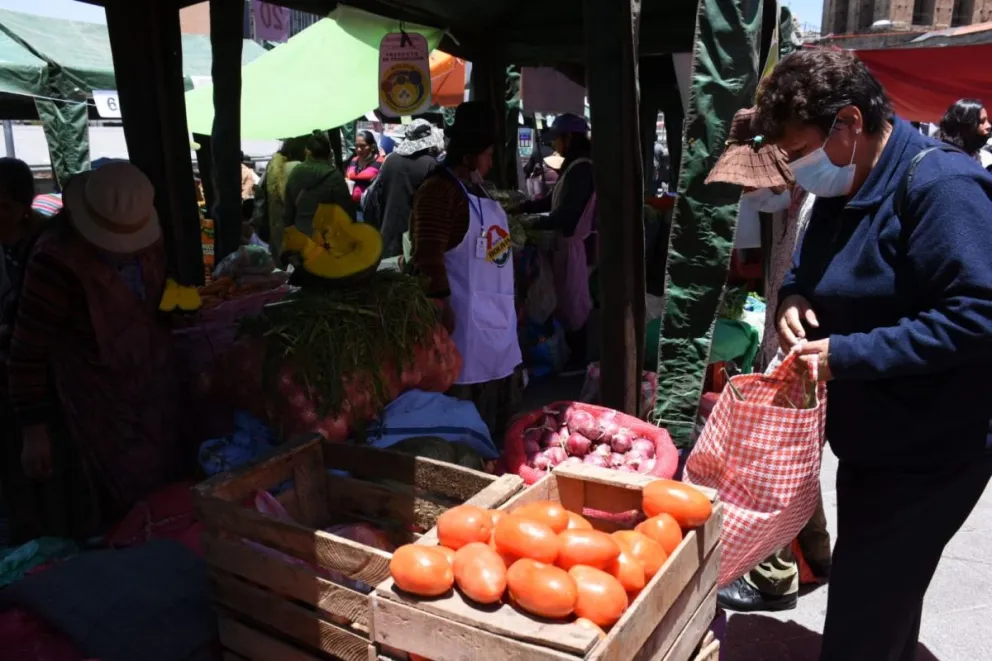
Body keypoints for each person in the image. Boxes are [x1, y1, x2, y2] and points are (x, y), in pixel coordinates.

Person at [754, 49, 992, 661]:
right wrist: (792, 295)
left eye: (800, 149)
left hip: (932, 449)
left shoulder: (943, 186)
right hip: (872, 441)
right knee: (878, 594)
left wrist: (846, 354)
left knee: (864, 608)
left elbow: (977, 314)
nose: (797, 167)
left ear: (850, 123)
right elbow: (811, 265)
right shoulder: (846, 181)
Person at [7, 161, 182, 541]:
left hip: (152, 383)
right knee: (113, 503)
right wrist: (33, 430)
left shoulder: (146, 235)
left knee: (165, 489)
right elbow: (27, 350)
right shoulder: (54, 260)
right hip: (93, 399)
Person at [702, 107, 831, 613]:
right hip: (787, 335)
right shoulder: (794, 195)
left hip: (805, 346)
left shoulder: (816, 196)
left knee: (776, 458)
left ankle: (774, 577)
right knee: (800, 456)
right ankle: (816, 556)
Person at [408, 102, 522, 445]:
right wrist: (440, 304)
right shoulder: (438, 192)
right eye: (487, 155)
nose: (490, 163)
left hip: (495, 318)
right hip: (463, 323)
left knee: (495, 408)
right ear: (470, 156)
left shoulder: (474, 192)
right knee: (465, 410)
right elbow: (427, 254)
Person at [518, 113, 596, 368]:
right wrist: (522, 207)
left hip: (577, 247)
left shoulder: (582, 168)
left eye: (558, 139)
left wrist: (532, 222)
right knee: (566, 301)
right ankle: (570, 354)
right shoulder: (573, 166)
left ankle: (578, 361)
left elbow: (566, 214)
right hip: (567, 245)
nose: (555, 145)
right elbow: (551, 201)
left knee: (575, 304)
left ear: (569, 137)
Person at [0, 158, 50, 543]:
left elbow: (35, 340)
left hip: (41, 385)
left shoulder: (45, 252)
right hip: (12, 379)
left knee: (40, 471)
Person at [365, 119, 444, 259]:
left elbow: (374, 197)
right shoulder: (431, 165)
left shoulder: (390, 160)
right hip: (414, 242)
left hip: (386, 237)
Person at [283, 130, 354, 245]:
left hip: (300, 237)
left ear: (307, 152)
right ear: (329, 154)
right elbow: (347, 212)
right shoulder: (335, 177)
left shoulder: (296, 172)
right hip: (326, 240)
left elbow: (288, 210)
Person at [252, 136, 306, 258]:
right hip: (299, 232)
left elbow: (260, 195)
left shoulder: (273, 165)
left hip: (275, 230)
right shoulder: (301, 168)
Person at [936, 98, 992, 170]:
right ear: (965, 127)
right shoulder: (945, 161)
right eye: (982, 121)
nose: (989, 126)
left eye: (987, 120)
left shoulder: (984, 159)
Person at [346, 130, 383, 207]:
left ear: (372, 147)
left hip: (370, 207)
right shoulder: (353, 160)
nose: (359, 149)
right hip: (352, 206)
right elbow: (347, 176)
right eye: (356, 146)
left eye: (362, 146)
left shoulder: (381, 162)